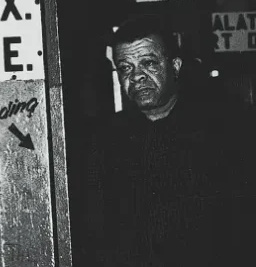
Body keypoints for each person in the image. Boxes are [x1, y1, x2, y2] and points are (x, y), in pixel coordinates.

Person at [82, 14, 256, 266]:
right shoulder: (105, 142)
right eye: (125, 67)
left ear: (175, 66)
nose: (137, 76)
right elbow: (96, 232)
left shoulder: (225, 130)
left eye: (149, 63)